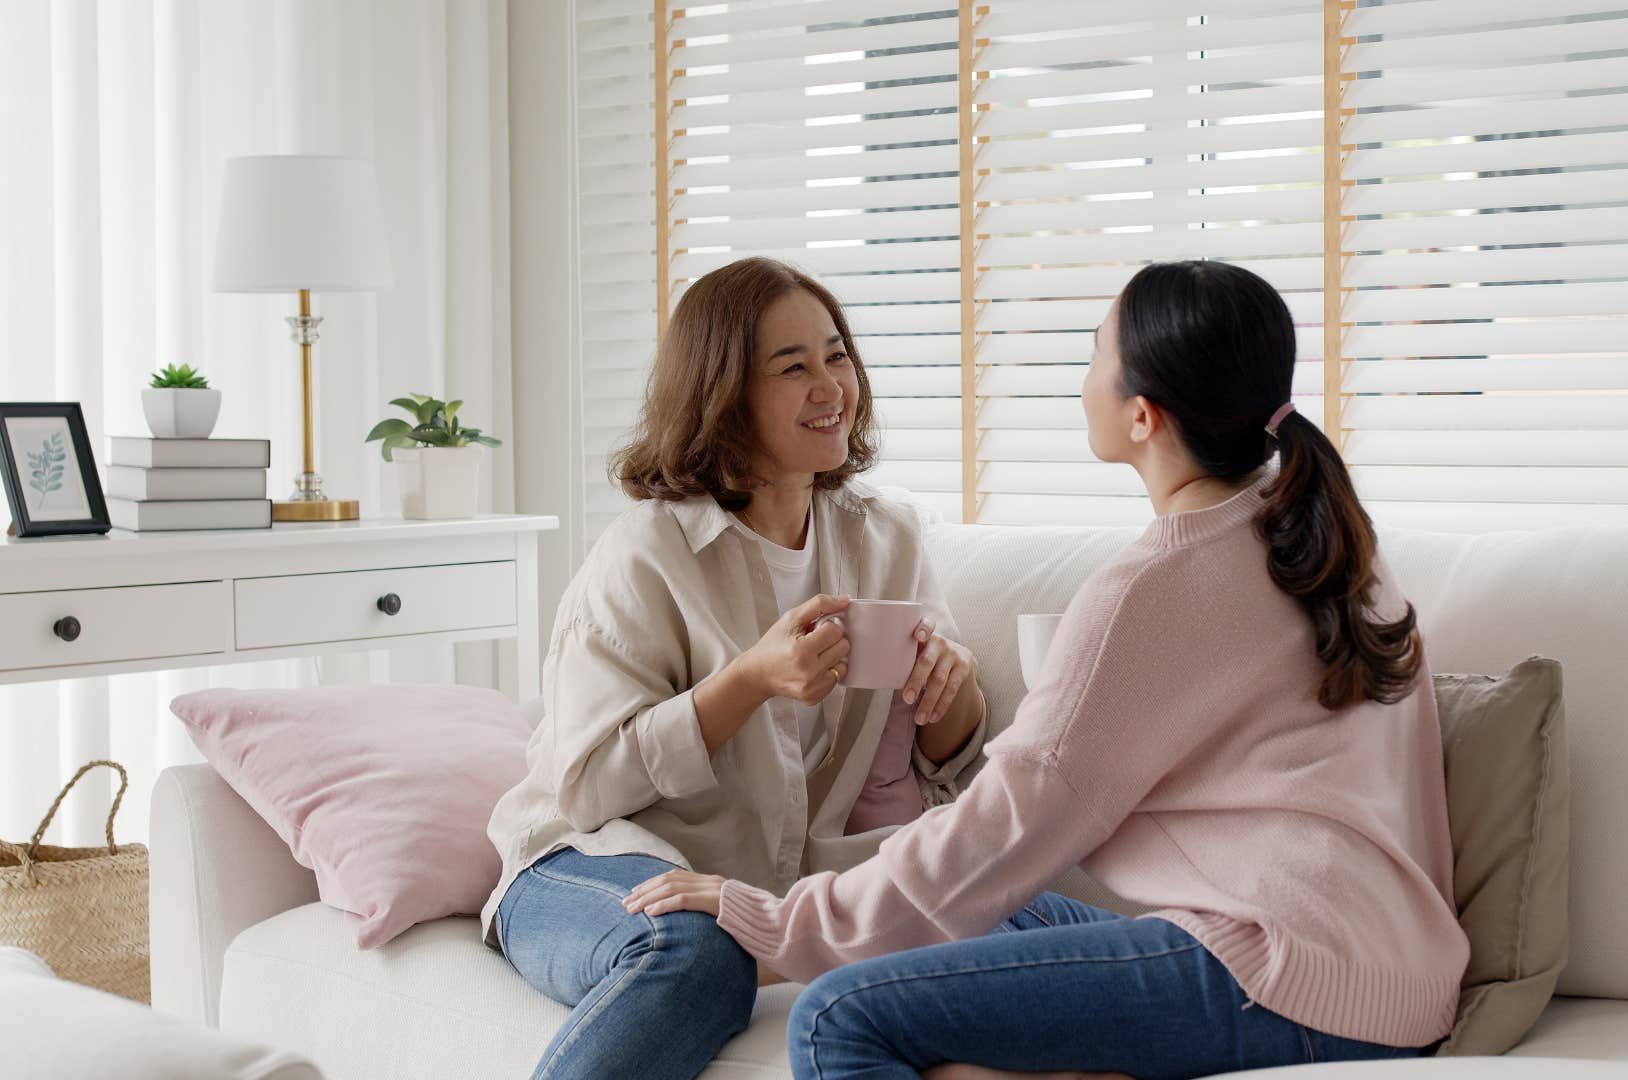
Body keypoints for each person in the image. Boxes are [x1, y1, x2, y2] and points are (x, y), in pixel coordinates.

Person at [629, 260, 1470, 1079]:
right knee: (986, 917)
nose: (1081, 381)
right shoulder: (1329, 538)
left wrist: (778, 924)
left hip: (1286, 978)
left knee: (837, 1017)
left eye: (1094, 356)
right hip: (1399, 975)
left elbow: (1006, 823)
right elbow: (992, 869)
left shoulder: (1156, 587)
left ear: (1142, 416)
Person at [480, 256, 988, 1080]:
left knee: (984, 912)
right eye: (792, 367)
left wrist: (950, 684)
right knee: (697, 951)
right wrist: (747, 681)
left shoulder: (886, 538)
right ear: (723, 397)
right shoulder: (647, 553)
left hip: (747, 891)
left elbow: (950, 759)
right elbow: (586, 787)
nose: (830, 387)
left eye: (837, 356)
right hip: (586, 861)